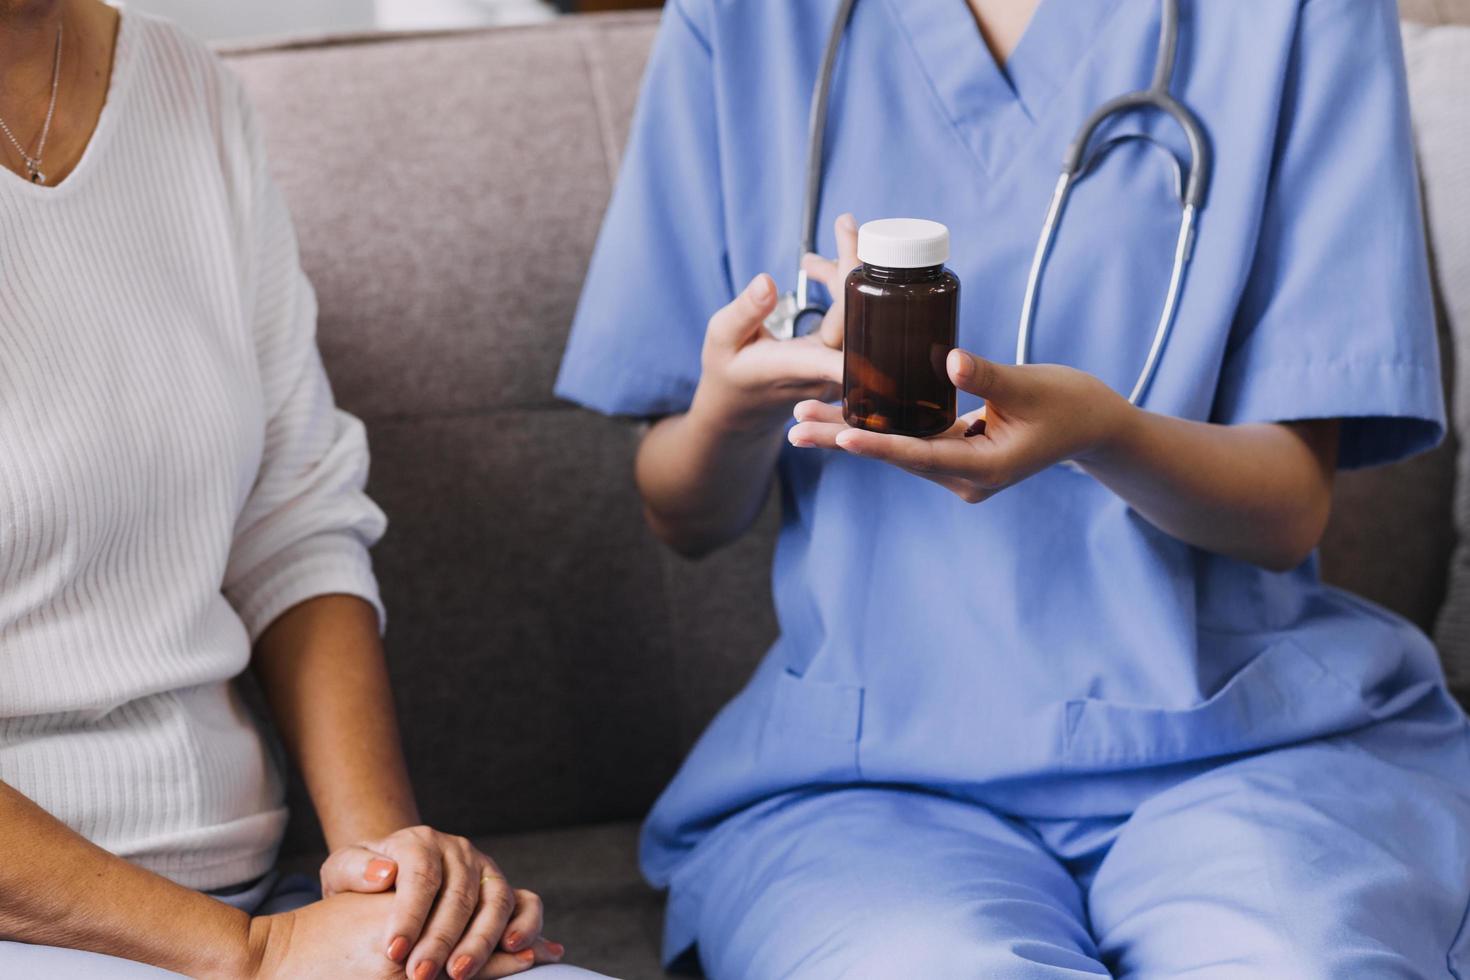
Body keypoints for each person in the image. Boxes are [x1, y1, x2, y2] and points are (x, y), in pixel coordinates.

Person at [556, 0, 1470, 975]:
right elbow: (680, 513)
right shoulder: (743, 20)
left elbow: (1289, 508)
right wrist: (736, 409)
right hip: (870, 776)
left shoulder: (1300, 15)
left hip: (1241, 743)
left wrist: (1106, 433)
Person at [0, 2, 600, 977]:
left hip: (250, 885)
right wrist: (253, 952)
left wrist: (390, 889)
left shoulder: (184, 89)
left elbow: (292, 523)